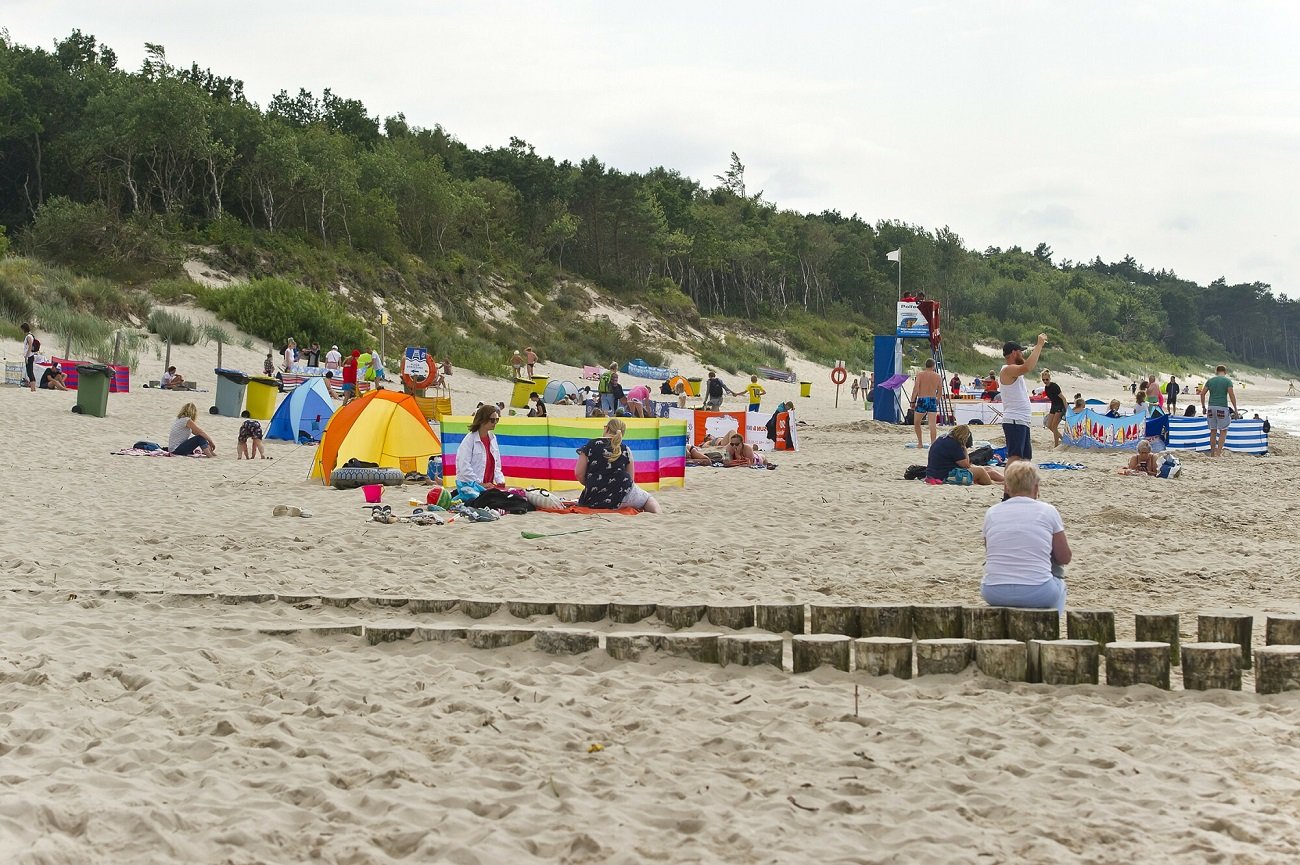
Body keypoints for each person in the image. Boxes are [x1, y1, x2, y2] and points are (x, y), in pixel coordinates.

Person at [980, 462, 1071, 613]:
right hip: (1038, 590)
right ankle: (1051, 629)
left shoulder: (992, 512)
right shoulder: (1047, 511)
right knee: (1060, 585)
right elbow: (1064, 557)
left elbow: (989, 549)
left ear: (1007, 488)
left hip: (994, 590)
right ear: (1036, 487)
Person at [574, 418, 660, 513]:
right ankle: (658, 514)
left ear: (606, 429)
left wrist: (592, 484)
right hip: (622, 496)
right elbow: (631, 478)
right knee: (648, 499)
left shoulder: (590, 445)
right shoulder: (625, 449)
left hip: (594, 498)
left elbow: (579, 474)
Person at [997, 334, 1047, 463]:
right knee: (1015, 458)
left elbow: (1027, 366)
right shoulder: (1007, 370)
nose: (1022, 355)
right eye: (1021, 352)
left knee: (1026, 458)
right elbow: (1027, 367)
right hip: (1014, 419)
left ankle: (1022, 483)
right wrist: (1039, 345)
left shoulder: (1014, 371)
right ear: (1014, 352)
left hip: (1021, 420)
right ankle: (1008, 483)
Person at [926, 424, 1004, 486]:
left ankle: (1007, 480)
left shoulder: (944, 438)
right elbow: (966, 465)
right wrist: (964, 448)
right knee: (981, 471)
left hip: (934, 473)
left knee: (988, 469)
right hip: (946, 476)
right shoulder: (954, 444)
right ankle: (995, 483)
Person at [456, 404, 505, 491]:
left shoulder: (493, 438)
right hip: (469, 487)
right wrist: (479, 484)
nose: (495, 423)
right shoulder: (469, 439)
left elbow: (497, 465)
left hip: (488, 486)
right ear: (482, 420)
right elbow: (464, 466)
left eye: (497, 419)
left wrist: (500, 481)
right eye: (492, 420)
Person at [1201, 365, 1237, 457]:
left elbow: (1202, 394)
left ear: (1216, 371)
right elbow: (1231, 395)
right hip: (1222, 407)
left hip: (1211, 407)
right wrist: (1235, 409)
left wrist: (1203, 407)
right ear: (1225, 372)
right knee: (1223, 430)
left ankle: (1212, 453)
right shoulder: (1227, 381)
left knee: (1213, 431)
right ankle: (1218, 453)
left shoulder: (1210, 381)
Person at [909, 359, 942, 448]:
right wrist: (937, 400)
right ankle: (933, 444)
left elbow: (916, 388)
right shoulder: (938, 376)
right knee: (932, 424)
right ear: (933, 366)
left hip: (922, 399)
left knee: (917, 422)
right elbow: (940, 391)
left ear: (926, 365)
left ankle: (920, 443)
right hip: (932, 400)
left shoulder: (920, 375)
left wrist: (912, 401)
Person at [1040, 370, 1065, 448]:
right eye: (1043, 380)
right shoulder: (1046, 388)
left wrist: (1066, 409)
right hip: (1053, 406)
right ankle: (1063, 439)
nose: (1045, 381)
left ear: (1050, 378)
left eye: (1046, 379)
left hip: (1059, 406)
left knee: (1054, 426)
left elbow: (1063, 398)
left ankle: (1056, 445)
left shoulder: (1055, 386)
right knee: (1048, 425)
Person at [21, 322, 38, 392]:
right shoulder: (30, 335)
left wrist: (26, 356)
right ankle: (33, 388)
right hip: (30, 356)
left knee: (30, 372)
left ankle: (33, 388)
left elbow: (30, 346)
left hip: (29, 356)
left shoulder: (28, 336)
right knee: (29, 372)